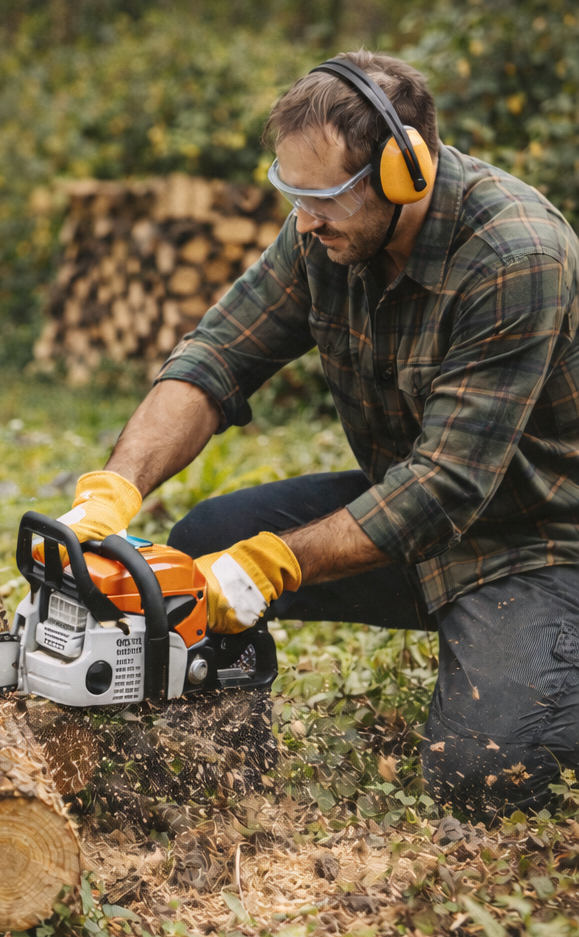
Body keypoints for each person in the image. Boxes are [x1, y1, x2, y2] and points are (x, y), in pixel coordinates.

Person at [61, 50, 579, 817]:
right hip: (410, 519)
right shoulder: (326, 234)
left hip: (536, 543)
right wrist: (114, 488)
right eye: (292, 191)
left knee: (482, 774)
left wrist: (271, 567)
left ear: (405, 173)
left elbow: (447, 484)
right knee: (203, 543)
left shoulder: (515, 258)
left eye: (324, 197)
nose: (304, 219)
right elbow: (217, 356)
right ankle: (219, 756)